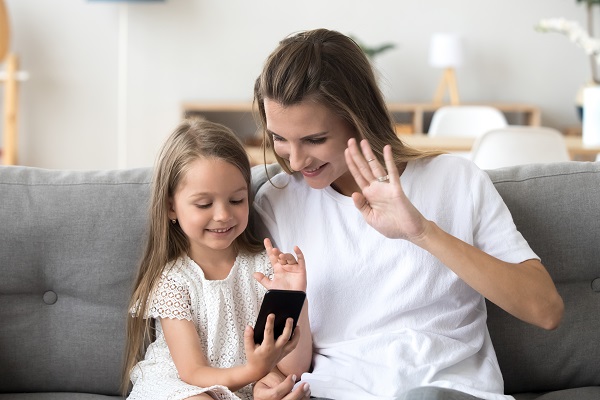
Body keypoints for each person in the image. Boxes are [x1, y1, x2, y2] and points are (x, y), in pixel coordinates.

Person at [251, 28, 564, 400]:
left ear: (358, 118)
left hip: (442, 389)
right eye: (280, 138)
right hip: (330, 392)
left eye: (315, 140)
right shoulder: (275, 202)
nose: (297, 160)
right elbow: (278, 353)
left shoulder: (454, 179)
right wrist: (263, 384)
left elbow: (546, 310)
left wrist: (422, 233)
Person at [122, 118, 312, 400]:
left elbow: (293, 367)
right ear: (171, 207)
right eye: (204, 204)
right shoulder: (173, 282)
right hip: (185, 386)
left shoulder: (263, 268)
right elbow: (193, 373)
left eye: (236, 200)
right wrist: (254, 370)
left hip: (249, 381)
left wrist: (296, 300)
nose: (223, 215)